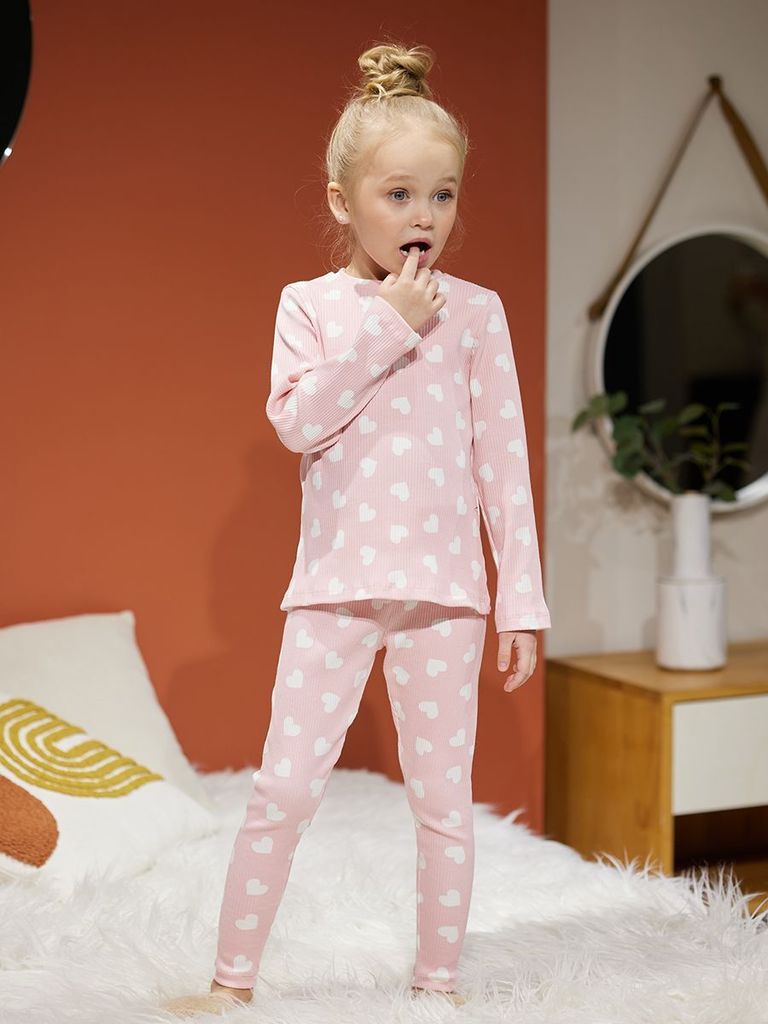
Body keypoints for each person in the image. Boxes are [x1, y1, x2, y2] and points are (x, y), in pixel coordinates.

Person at [162, 39, 551, 1018]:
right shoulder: (310, 308)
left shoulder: (478, 315)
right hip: (334, 586)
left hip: (446, 594)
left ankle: (438, 985)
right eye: (399, 194)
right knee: (284, 789)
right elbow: (298, 421)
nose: (425, 218)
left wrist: (521, 600)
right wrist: (389, 324)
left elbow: (503, 465)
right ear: (342, 201)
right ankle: (231, 981)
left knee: (441, 802)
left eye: (443, 196)